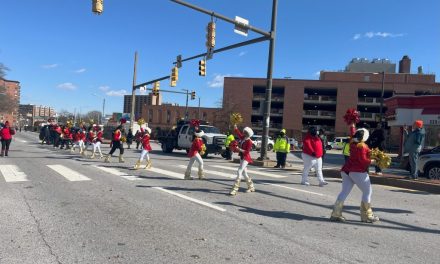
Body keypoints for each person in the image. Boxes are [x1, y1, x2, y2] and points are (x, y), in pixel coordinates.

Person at [330, 127, 379, 223]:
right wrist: (374, 161)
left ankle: (336, 214)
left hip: (346, 170)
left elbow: (353, 134)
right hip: (358, 171)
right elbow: (363, 161)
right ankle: (367, 215)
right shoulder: (362, 146)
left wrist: (352, 125)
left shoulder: (352, 143)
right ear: (365, 137)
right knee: (367, 192)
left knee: (344, 192)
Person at [230, 125, 255, 195]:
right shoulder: (244, 138)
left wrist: (238, 149)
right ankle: (251, 187)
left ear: (248, 134)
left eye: (245, 132)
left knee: (239, 171)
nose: (243, 133)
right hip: (242, 157)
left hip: (246, 158)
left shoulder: (249, 141)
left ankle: (235, 189)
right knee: (244, 173)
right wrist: (235, 128)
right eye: (244, 132)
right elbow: (239, 134)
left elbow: (247, 152)